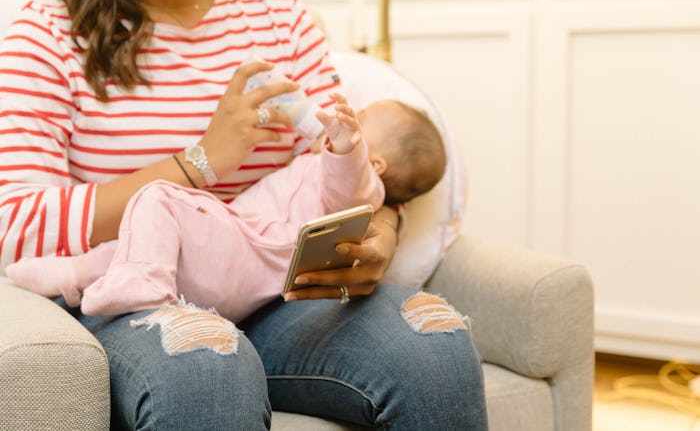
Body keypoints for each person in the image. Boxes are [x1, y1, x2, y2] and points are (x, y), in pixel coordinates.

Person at [0, 0, 488, 429]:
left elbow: (348, 157)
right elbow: (16, 225)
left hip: (274, 294)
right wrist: (201, 161)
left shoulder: (280, 22)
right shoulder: (45, 37)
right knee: (206, 369)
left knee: (433, 344)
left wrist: (380, 231)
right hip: (136, 295)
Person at [6, 94, 447, 322]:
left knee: (159, 199)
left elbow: (351, 181)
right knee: (145, 239)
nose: (347, 111)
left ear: (375, 163)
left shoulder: (353, 180)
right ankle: (74, 275)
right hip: (242, 253)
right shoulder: (337, 171)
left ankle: (143, 288)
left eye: (362, 117)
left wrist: (345, 146)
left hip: (250, 250)